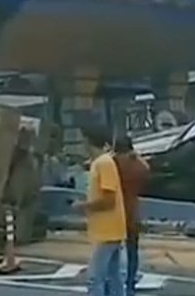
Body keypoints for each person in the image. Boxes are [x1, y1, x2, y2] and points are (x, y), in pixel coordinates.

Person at [72, 126, 126, 296]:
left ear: (88, 141)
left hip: (107, 232)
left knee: (95, 277)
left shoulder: (104, 163)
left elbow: (109, 200)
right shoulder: (102, 163)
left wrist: (83, 206)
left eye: (83, 140)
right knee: (113, 276)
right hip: (109, 230)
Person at [113, 135, 150, 296]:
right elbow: (146, 168)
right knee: (132, 250)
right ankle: (130, 283)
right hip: (132, 211)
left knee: (112, 250)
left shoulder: (113, 164)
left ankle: (114, 282)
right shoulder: (137, 165)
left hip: (114, 210)